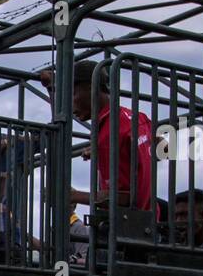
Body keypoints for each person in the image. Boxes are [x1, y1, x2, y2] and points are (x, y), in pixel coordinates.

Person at [38, 61, 153, 212]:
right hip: (151, 220)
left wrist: (71, 196)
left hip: (127, 228)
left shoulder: (108, 135)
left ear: (91, 87)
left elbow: (122, 199)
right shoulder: (137, 117)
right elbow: (162, 148)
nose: (70, 104)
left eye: (73, 94)